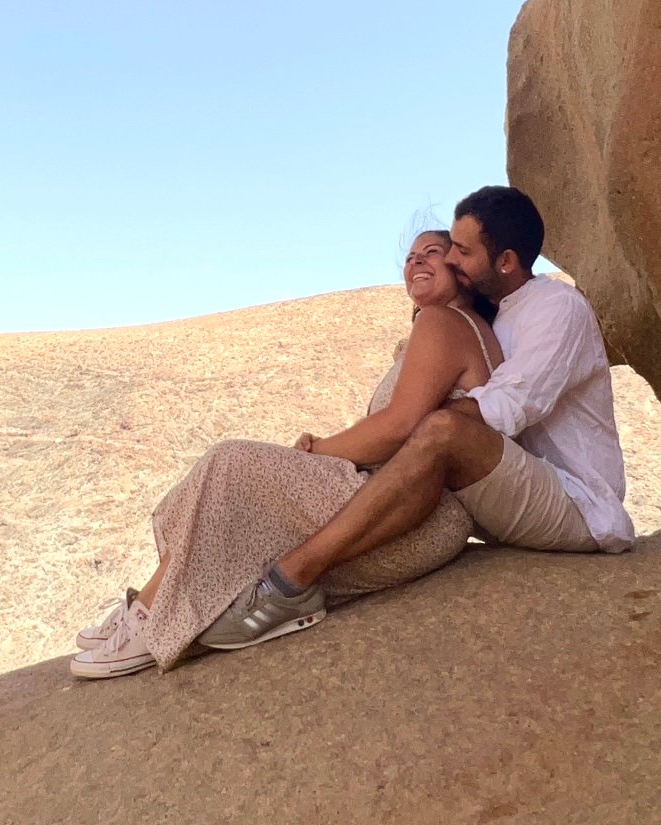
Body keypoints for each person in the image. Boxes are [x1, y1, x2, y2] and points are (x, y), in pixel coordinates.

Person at [199, 185, 634, 653]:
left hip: (577, 502)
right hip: (504, 492)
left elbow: (511, 405)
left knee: (443, 431)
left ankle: (288, 583)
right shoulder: (496, 316)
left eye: (461, 252)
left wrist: (402, 426)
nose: (451, 262)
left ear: (505, 262)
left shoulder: (557, 308)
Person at [69, 228, 501, 679]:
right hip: (407, 514)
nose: (416, 262)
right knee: (242, 498)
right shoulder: (458, 330)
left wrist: (318, 451)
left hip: (417, 511)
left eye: (433, 252)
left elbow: (398, 427)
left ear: (463, 268)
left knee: (231, 465)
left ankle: (153, 620)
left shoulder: (445, 322)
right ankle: (152, 606)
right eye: (411, 257)